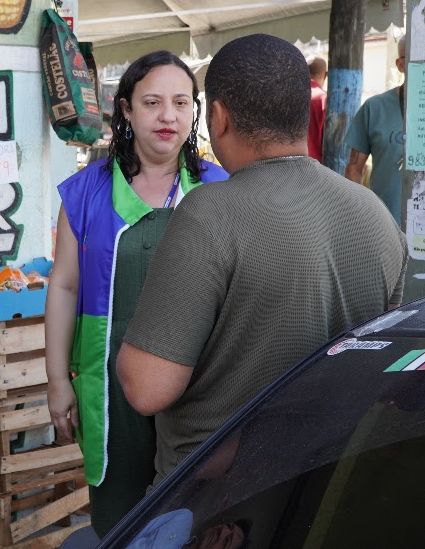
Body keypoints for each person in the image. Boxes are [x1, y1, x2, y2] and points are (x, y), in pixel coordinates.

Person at [115, 33, 408, 485]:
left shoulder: (208, 213)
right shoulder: (375, 214)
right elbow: (377, 358)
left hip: (215, 498)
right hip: (327, 483)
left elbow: (146, 387)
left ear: (218, 117)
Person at [45, 51, 228, 537]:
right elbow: (64, 286)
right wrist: (57, 379)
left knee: (195, 511)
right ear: (125, 109)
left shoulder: (219, 190)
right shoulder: (84, 193)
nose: (168, 116)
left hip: (200, 383)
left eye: (180, 102)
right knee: (121, 517)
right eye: (151, 102)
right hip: (109, 385)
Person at [344, 36, 406, 224]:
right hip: (385, 228)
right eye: (414, 58)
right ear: (400, 64)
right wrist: (363, 216)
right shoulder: (375, 108)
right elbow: (354, 169)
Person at [307, 56, 327, 163]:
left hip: (288, 167)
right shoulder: (323, 99)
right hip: (316, 168)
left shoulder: (289, 95)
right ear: (326, 75)